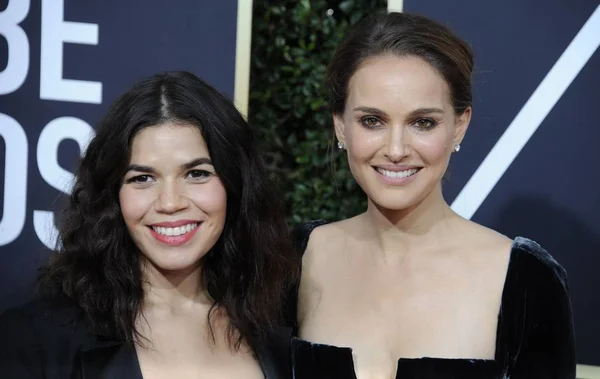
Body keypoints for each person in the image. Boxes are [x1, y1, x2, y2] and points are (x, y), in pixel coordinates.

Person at [288, 11, 576, 379]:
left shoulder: (524, 280)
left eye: (422, 122)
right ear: (340, 126)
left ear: (459, 126)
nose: (395, 149)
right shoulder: (297, 258)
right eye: (371, 121)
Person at [0, 71, 296, 379]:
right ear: (113, 196)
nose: (170, 202)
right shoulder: (36, 339)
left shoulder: (277, 328)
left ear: (235, 184)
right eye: (142, 178)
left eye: (197, 174)